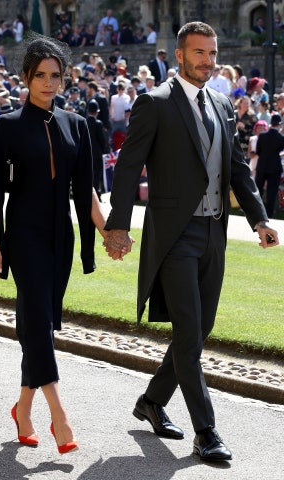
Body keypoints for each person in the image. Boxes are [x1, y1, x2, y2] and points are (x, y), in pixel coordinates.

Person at [103, 21, 279, 463]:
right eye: (198, 53)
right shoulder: (154, 102)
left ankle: (151, 402)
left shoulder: (222, 104)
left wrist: (259, 219)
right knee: (187, 332)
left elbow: (237, 167)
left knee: (199, 332)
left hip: (213, 232)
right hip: (174, 235)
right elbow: (128, 168)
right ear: (179, 55)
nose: (207, 60)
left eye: (212, 53)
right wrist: (118, 225)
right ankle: (208, 431)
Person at [0, 33, 108, 455]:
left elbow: (86, 189)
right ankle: (59, 414)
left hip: (62, 237)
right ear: (26, 77)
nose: (49, 83)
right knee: (36, 318)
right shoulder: (6, 125)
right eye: (40, 75)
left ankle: (22, 409)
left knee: (38, 323)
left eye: (56, 75)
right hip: (23, 236)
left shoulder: (78, 125)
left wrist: (107, 230)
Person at [255, 113, 284, 218]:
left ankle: (257, 213)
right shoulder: (281, 138)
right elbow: (280, 150)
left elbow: (258, 151)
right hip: (275, 167)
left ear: (271, 123)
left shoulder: (262, 136)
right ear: (279, 125)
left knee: (258, 190)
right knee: (271, 192)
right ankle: (269, 215)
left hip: (262, 166)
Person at [86, 99, 107, 200]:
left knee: (88, 172)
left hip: (87, 152)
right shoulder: (98, 123)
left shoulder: (84, 122)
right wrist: (104, 150)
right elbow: (102, 139)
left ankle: (88, 192)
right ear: (97, 112)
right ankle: (96, 193)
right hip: (97, 152)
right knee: (97, 173)